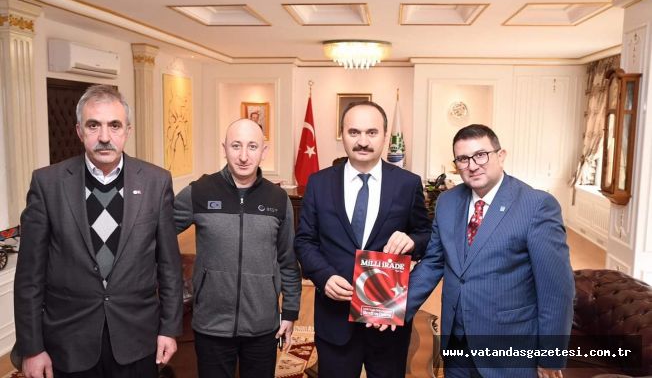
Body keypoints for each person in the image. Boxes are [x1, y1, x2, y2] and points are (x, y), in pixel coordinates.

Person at [14, 85, 183, 378]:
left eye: (114, 125)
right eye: (94, 125)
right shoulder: (48, 184)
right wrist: (32, 348)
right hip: (69, 342)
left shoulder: (156, 182)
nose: (104, 136)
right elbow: (29, 276)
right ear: (79, 131)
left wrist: (169, 328)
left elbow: (169, 266)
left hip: (137, 339)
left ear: (127, 131)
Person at [404, 124, 575, 378]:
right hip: (457, 346)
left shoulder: (536, 206)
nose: (472, 165)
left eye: (481, 155)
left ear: (501, 155)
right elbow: (433, 263)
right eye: (463, 159)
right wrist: (393, 308)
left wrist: (550, 355)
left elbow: (556, 290)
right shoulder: (447, 202)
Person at [294, 101, 431, 378]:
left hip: (386, 319)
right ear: (342, 134)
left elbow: (426, 235)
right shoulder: (319, 183)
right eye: (354, 132)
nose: (363, 141)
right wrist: (323, 277)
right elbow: (304, 241)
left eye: (371, 132)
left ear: (385, 135)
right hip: (335, 319)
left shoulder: (407, 184)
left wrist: (412, 241)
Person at [174, 118, 301, 378]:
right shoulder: (199, 191)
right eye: (236, 146)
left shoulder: (278, 199)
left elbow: (288, 261)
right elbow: (157, 232)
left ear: (264, 151)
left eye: (252, 146)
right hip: (211, 325)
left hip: (263, 326)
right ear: (224, 148)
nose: (244, 156)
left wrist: (289, 312)